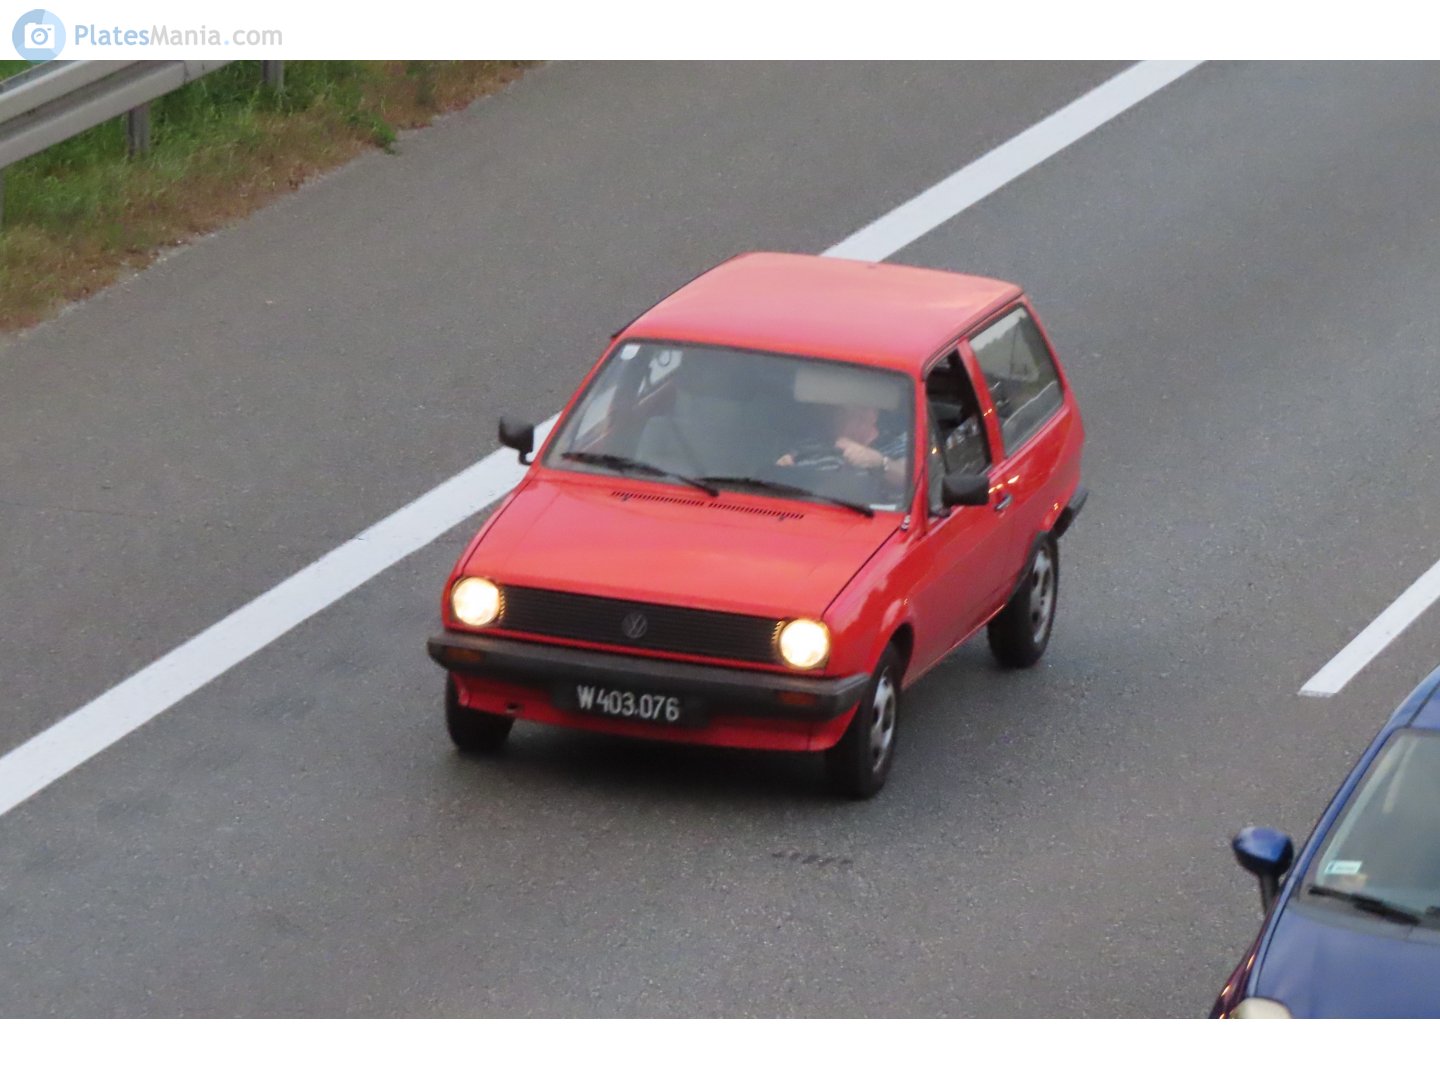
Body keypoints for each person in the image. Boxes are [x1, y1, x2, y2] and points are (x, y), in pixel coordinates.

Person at [776, 404, 908, 489]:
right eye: (835, 412)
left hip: (879, 521)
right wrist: (784, 472)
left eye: (845, 412)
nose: (836, 418)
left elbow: (914, 481)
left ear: (871, 414)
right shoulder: (809, 447)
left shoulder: (898, 443)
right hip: (818, 517)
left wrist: (880, 463)